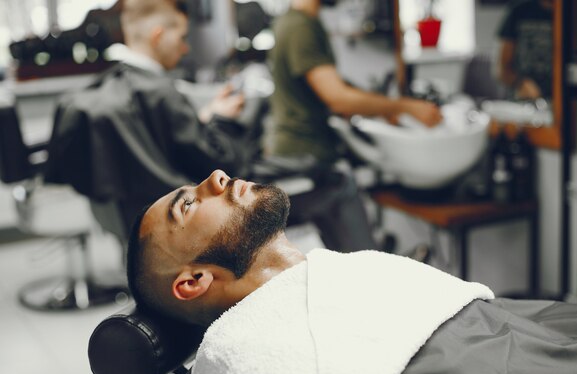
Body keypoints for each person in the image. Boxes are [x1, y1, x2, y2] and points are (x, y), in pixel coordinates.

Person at [127, 169, 577, 374]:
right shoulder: (253, 353)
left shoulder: (343, 271)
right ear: (191, 282)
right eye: (188, 205)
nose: (216, 177)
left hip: (547, 336)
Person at [45, 0, 379, 252]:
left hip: (153, 219)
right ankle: (371, 275)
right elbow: (224, 165)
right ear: (158, 35)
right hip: (202, 221)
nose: (186, 46)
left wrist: (204, 117)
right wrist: (226, 119)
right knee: (338, 180)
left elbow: (166, 148)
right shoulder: (159, 92)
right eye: (182, 36)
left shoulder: (111, 86)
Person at [269, 0, 443, 165]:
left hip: (305, 150)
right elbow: (338, 99)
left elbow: (332, 86)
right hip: (302, 153)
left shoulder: (299, 21)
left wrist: (384, 109)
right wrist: (405, 107)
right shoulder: (300, 27)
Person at [497, 0, 554, 100]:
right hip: (522, 100)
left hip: (559, 101)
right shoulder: (519, 11)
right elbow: (502, 68)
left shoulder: (570, 13)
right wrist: (521, 83)